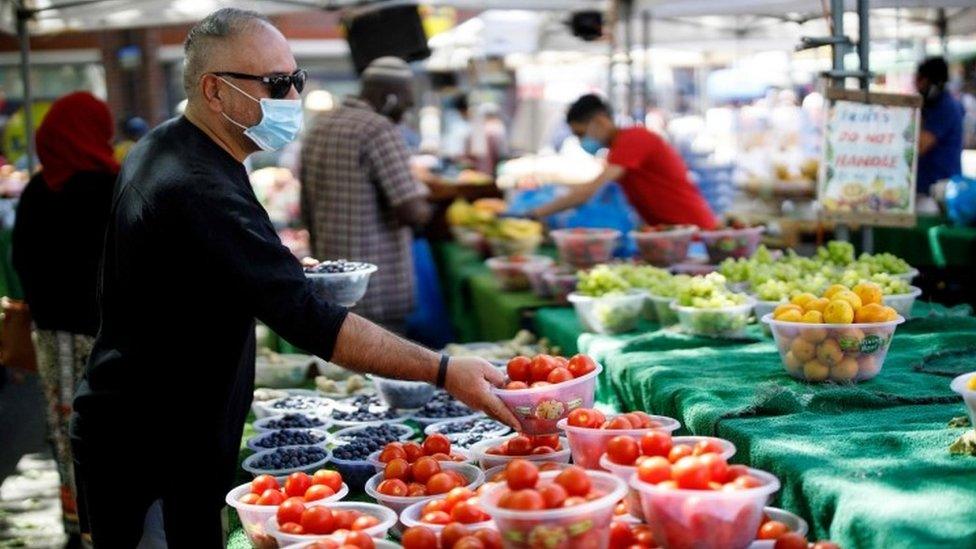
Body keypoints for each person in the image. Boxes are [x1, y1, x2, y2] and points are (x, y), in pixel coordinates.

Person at [70, 10, 516, 547]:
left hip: (153, 427)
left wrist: (270, 270)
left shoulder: (173, 145)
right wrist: (443, 370)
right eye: (277, 84)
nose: (292, 97)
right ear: (214, 90)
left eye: (296, 80)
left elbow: (196, 267)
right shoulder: (195, 183)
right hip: (150, 449)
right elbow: (311, 324)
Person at [11, 91, 119, 543]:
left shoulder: (38, 190)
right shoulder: (114, 187)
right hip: (108, 336)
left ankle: (78, 525)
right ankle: (113, 524)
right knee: (111, 434)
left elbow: (19, 262)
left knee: (65, 431)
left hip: (52, 334)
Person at [301, 56, 433, 334]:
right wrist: (429, 204)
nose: (404, 114)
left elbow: (306, 206)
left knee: (340, 373)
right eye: (406, 104)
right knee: (379, 371)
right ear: (390, 97)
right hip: (377, 291)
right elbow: (411, 210)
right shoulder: (378, 129)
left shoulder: (320, 126)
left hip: (331, 284)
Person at [527, 94, 717, 229]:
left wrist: (535, 213)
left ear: (600, 121)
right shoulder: (617, 149)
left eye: (581, 134)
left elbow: (588, 191)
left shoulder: (633, 139)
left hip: (693, 231)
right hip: (670, 232)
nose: (580, 141)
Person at [915, 57, 964, 198]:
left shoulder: (945, 108)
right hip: (929, 186)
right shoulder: (932, 107)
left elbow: (920, 145)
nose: (918, 86)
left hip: (939, 190)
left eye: (920, 81)